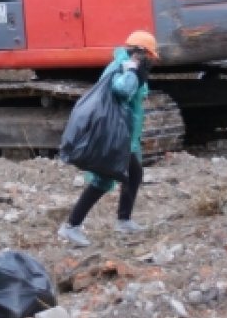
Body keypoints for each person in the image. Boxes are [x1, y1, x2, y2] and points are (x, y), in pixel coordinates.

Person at [57, 30, 159, 247]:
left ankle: (124, 220)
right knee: (103, 180)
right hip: (114, 134)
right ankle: (71, 226)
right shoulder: (123, 67)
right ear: (140, 53)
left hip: (125, 134)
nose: (151, 60)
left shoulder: (130, 66)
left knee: (134, 173)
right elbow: (122, 90)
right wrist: (132, 71)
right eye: (149, 55)